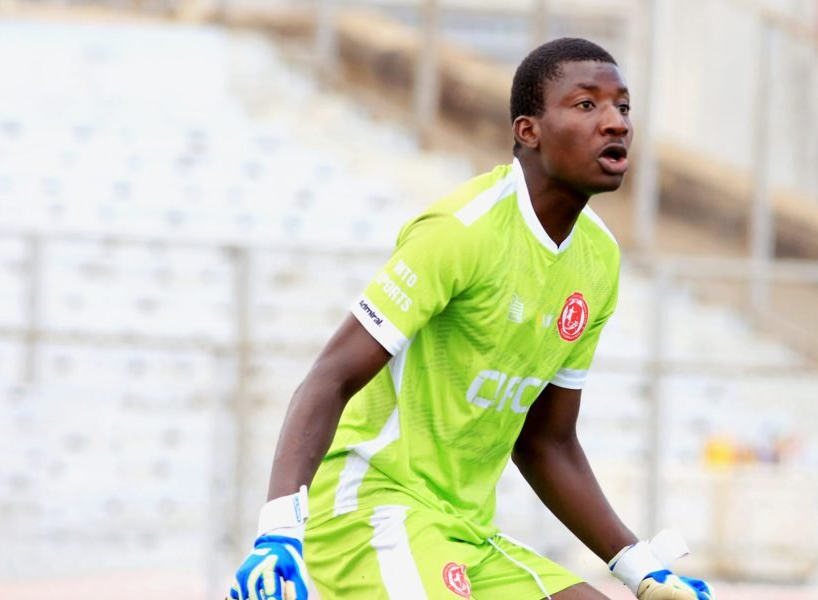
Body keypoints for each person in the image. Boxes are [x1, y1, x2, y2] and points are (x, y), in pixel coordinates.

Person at [226, 38, 714, 600]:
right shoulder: (462, 229)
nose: (615, 124)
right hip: (372, 512)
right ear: (528, 130)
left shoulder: (599, 261)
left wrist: (639, 567)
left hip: (466, 532)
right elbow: (328, 378)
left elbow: (547, 442)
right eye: (587, 105)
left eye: (622, 108)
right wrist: (280, 530)